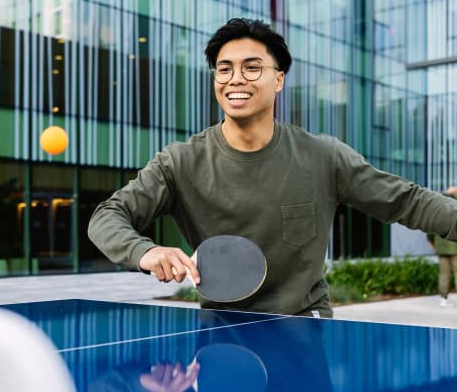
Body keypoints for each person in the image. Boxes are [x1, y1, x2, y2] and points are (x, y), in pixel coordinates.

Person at [88, 18, 457, 317]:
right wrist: (144, 252)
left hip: (305, 331)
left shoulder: (323, 156)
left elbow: (408, 202)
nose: (235, 79)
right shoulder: (179, 161)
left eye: (252, 68)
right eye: (224, 69)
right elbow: (108, 215)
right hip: (220, 330)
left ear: (278, 79)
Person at [428, 186, 457, 307]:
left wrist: (432, 243)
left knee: (443, 273)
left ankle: (443, 299)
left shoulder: (437, 209)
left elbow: (429, 229)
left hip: (441, 248)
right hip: (455, 248)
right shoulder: (455, 206)